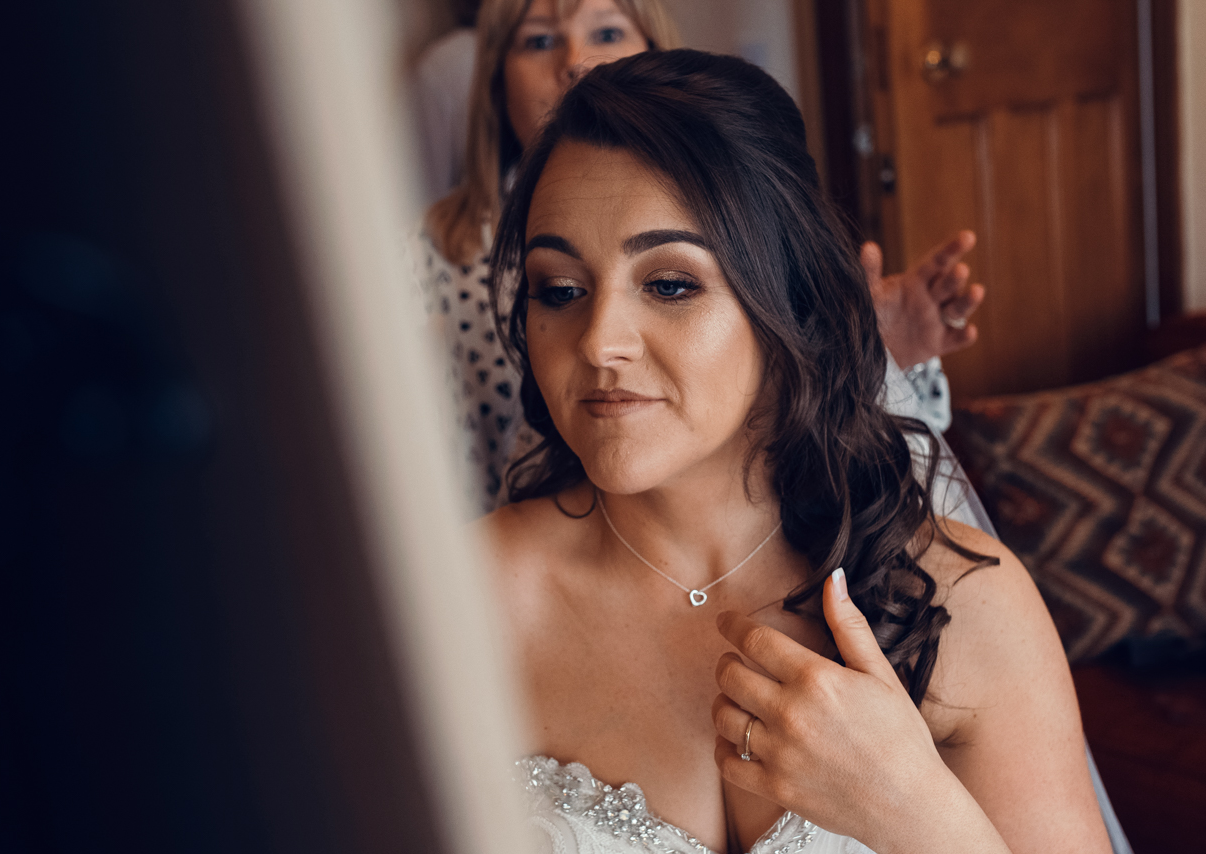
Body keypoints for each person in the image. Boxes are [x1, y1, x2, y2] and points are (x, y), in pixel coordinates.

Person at [483, 50, 1206, 854]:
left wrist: (910, 811)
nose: (599, 344)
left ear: (787, 297)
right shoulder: (465, 599)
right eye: (558, 289)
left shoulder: (964, 598)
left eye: (669, 284)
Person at [414, 0, 985, 513]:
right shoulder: (440, 255)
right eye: (560, 291)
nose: (575, 60)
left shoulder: (744, 205)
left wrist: (863, 352)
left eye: (668, 285)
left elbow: (874, 473)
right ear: (493, 82)